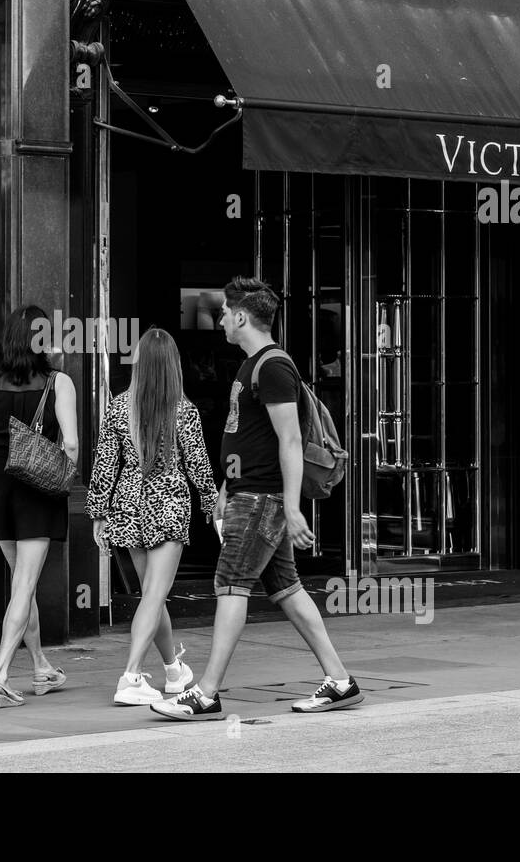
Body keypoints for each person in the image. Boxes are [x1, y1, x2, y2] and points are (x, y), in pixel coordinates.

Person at [152, 276, 362, 720]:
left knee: (230, 584)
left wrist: (290, 506)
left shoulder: (273, 367)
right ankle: (340, 680)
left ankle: (206, 692)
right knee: (287, 589)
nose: (221, 319)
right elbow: (247, 437)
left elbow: (289, 441)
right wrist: (226, 488)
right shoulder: (253, 366)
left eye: (225, 313)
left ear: (242, 316)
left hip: (262, 500)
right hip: (250, 495)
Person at [88, 327, 215, 705]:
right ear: (174, 365)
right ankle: (130, 677)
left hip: (127, 508)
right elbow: (198, 463)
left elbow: (105, 463)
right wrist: (211, 501)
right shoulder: (185, 411)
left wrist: (98, 511)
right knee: (153, 596)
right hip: (169, 507)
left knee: (151, 596)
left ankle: (174, 672)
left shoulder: (117, 407)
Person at [0, 305, 79, 708]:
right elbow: (71, 444)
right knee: (25, 584)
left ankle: (42, 667)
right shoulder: (58, 381)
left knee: (19, 583)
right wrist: (62, 476)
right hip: (36, 488)